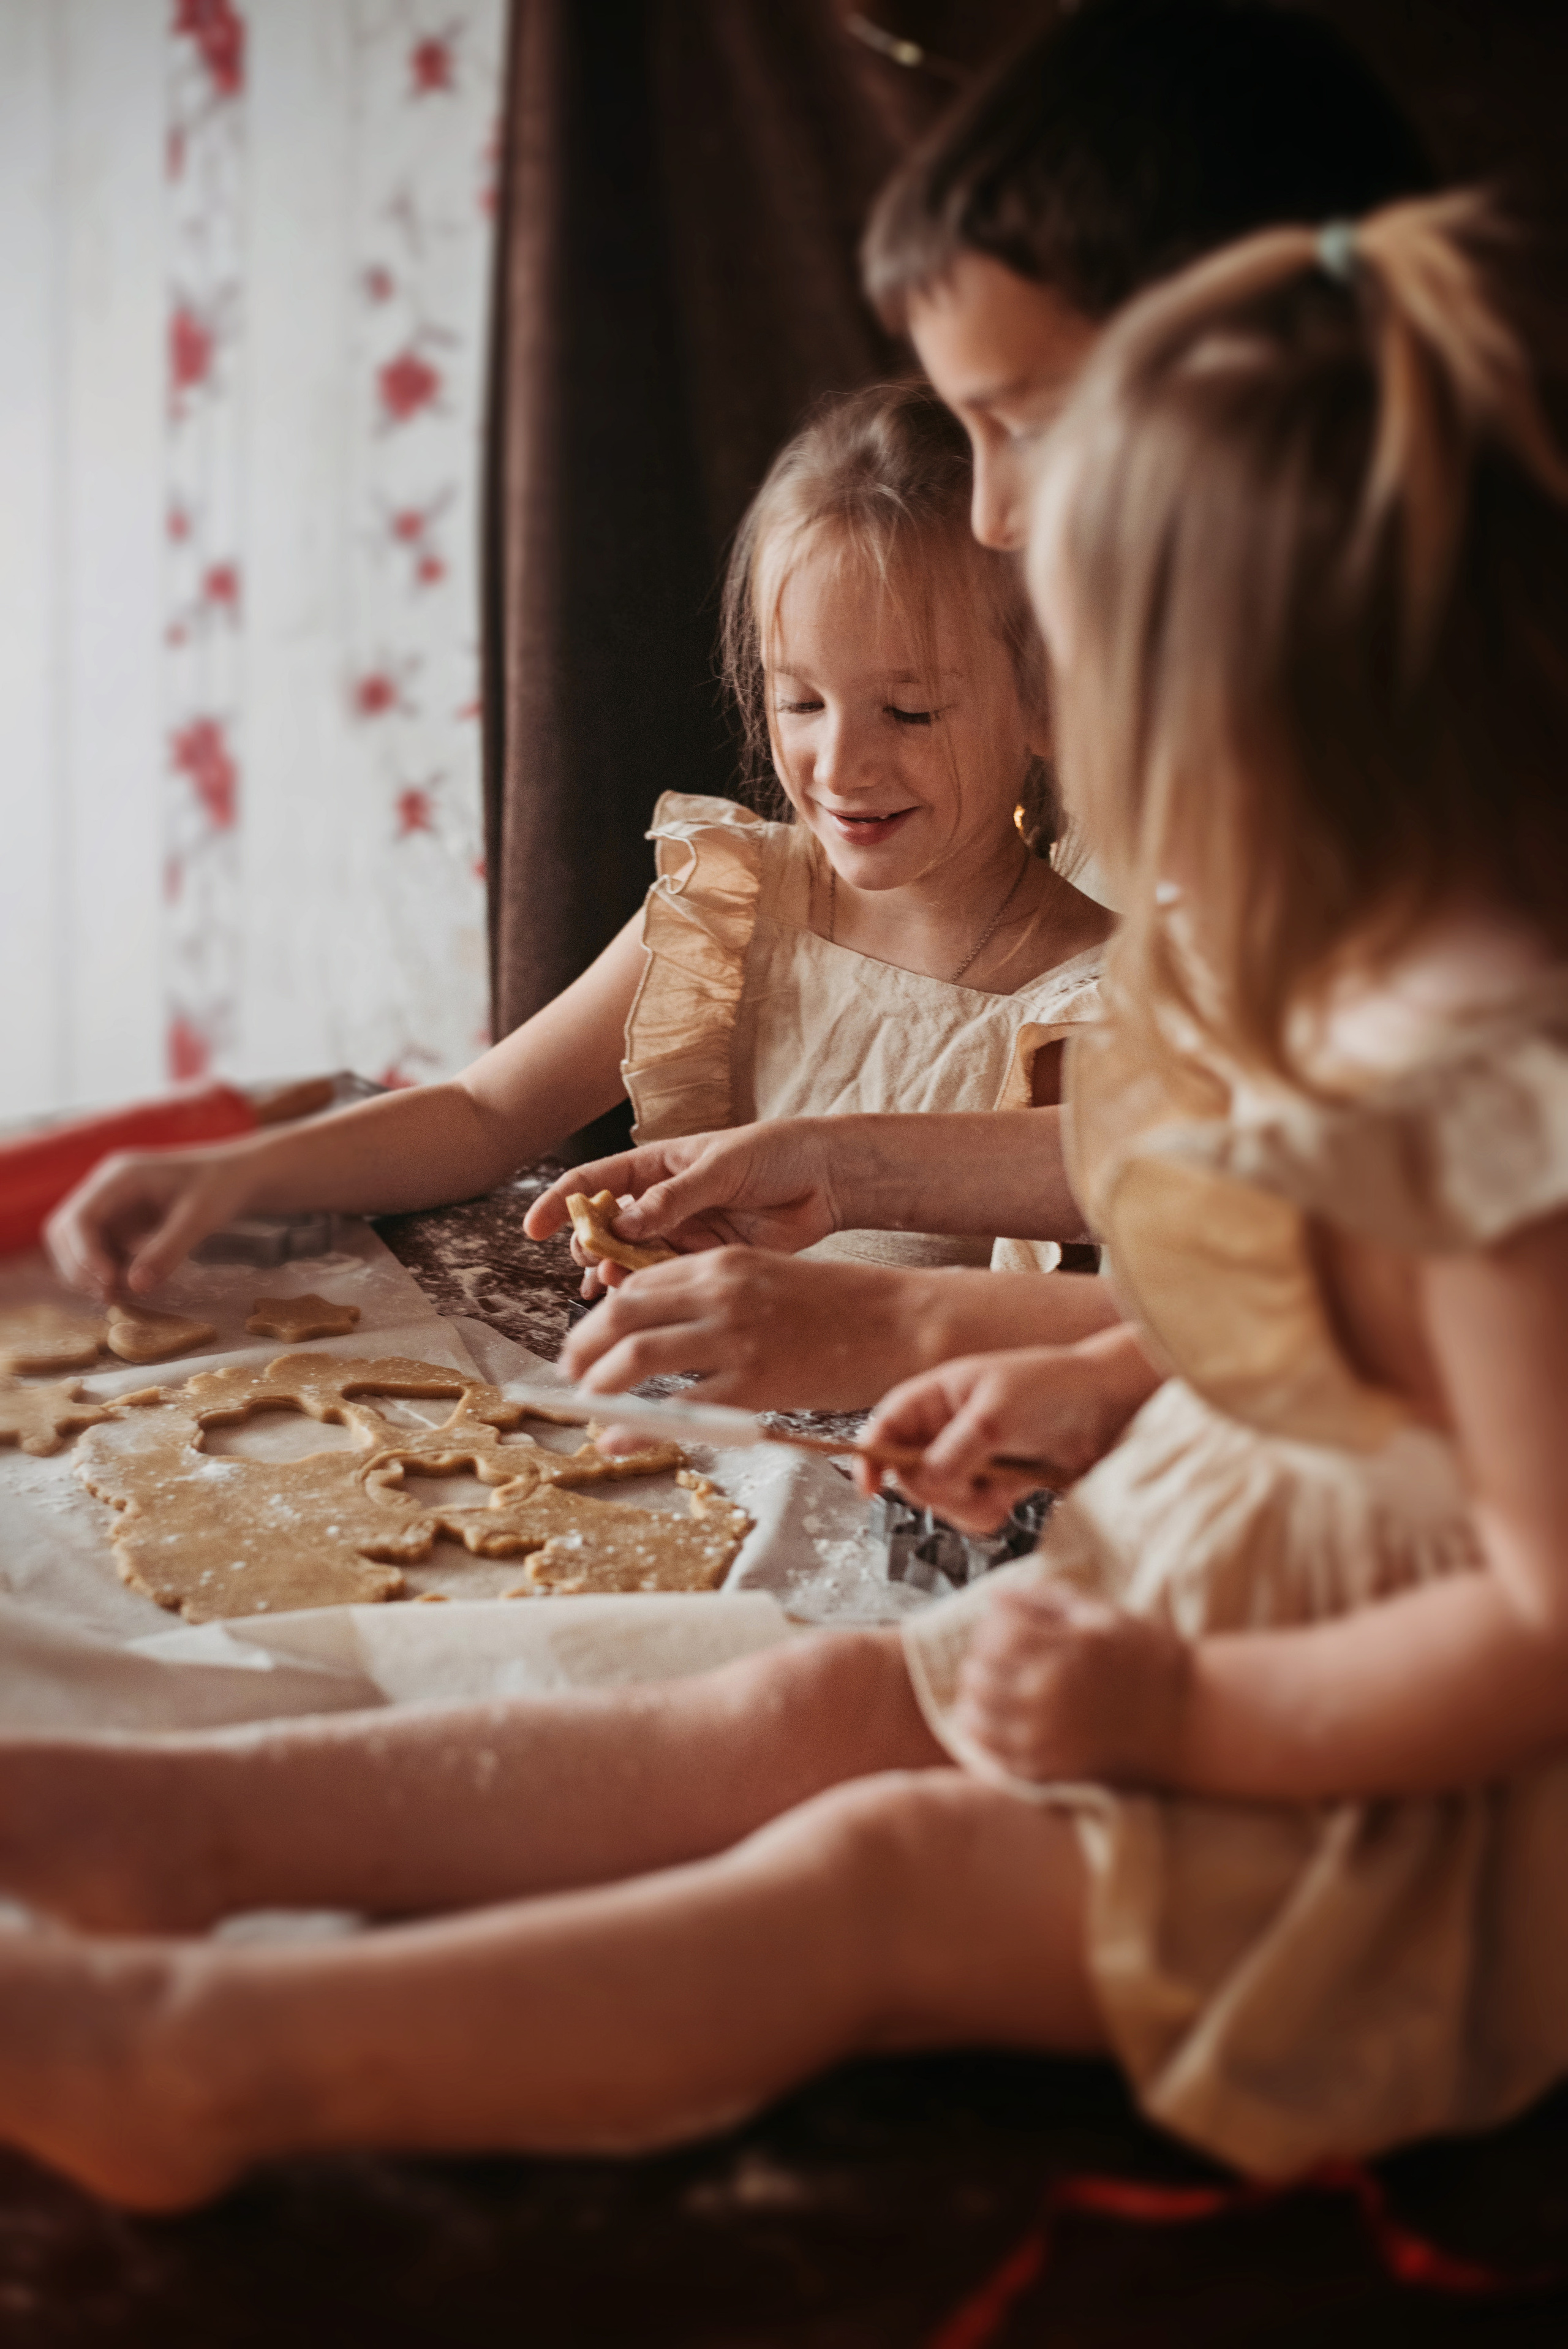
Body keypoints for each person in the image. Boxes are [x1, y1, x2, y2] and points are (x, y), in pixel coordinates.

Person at [8, 189, 1568, 2206]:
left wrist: (1192, 1708)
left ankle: (196, 2064)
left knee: (884, 1871)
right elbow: (1346, 1331)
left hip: (1398, 1807)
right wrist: (1112, 1380)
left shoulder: (1497, 1099)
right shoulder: (1348, 997)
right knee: (825, 1702)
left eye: (1119, 705)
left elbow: (1542, 1615)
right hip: (1208, 1616)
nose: (1124, 798)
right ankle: (166, 1832)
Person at [532, 0, 1436, 1410]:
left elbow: (1409, 1321)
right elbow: (1241, 1170)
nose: (995, 516)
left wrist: (905, 1321)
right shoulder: (1246, 724)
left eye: (1028, 427)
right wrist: (838, 1169)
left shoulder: (1447, 781)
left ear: (1249, 384)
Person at [46, 384, 1111, 1375]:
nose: (839, 765)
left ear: (1045, 702)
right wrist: (229, 1175)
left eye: (909, 711)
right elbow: (482, 1112)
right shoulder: (735, 904)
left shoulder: (1093, 1003)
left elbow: (1099, 1336)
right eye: (800, 701)